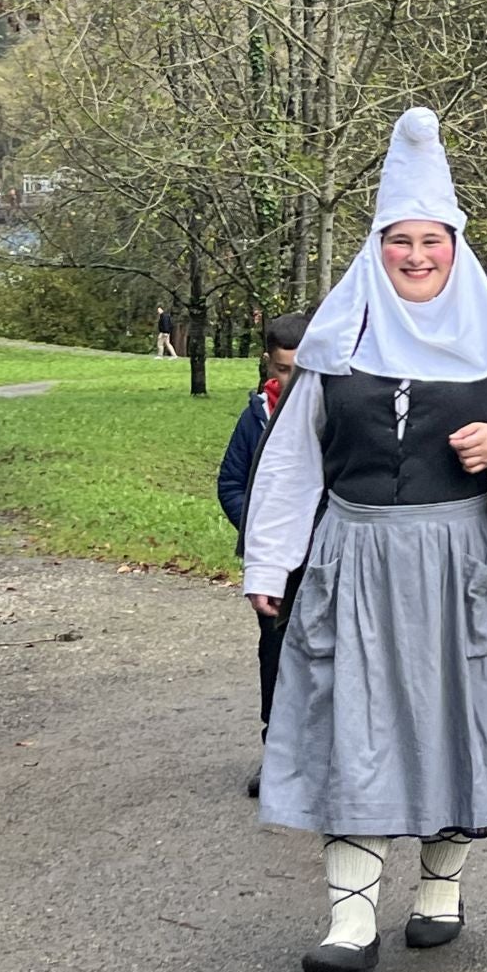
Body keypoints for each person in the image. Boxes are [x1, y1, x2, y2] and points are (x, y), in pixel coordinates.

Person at [240, 109, 487, 972]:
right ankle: (350, 919)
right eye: (400, 241)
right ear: (376, 248)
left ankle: (439, 882)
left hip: (463, 561)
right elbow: (289, 464)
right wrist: (269, 562)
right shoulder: (337, 341)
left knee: (456, 719)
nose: (416, 256)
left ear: (455, 248)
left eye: (431, 240)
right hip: (355, 560)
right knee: (351, 720)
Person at [217, 312, 309, 799]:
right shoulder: (257, 415)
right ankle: (277, 749)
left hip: (323, 556)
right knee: (275, 653)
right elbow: (230, 483)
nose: (289, 380)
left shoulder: (331, 412)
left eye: (299, 369)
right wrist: (259, 535)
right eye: (282, 370)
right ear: (269, 367)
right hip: (276, 566)